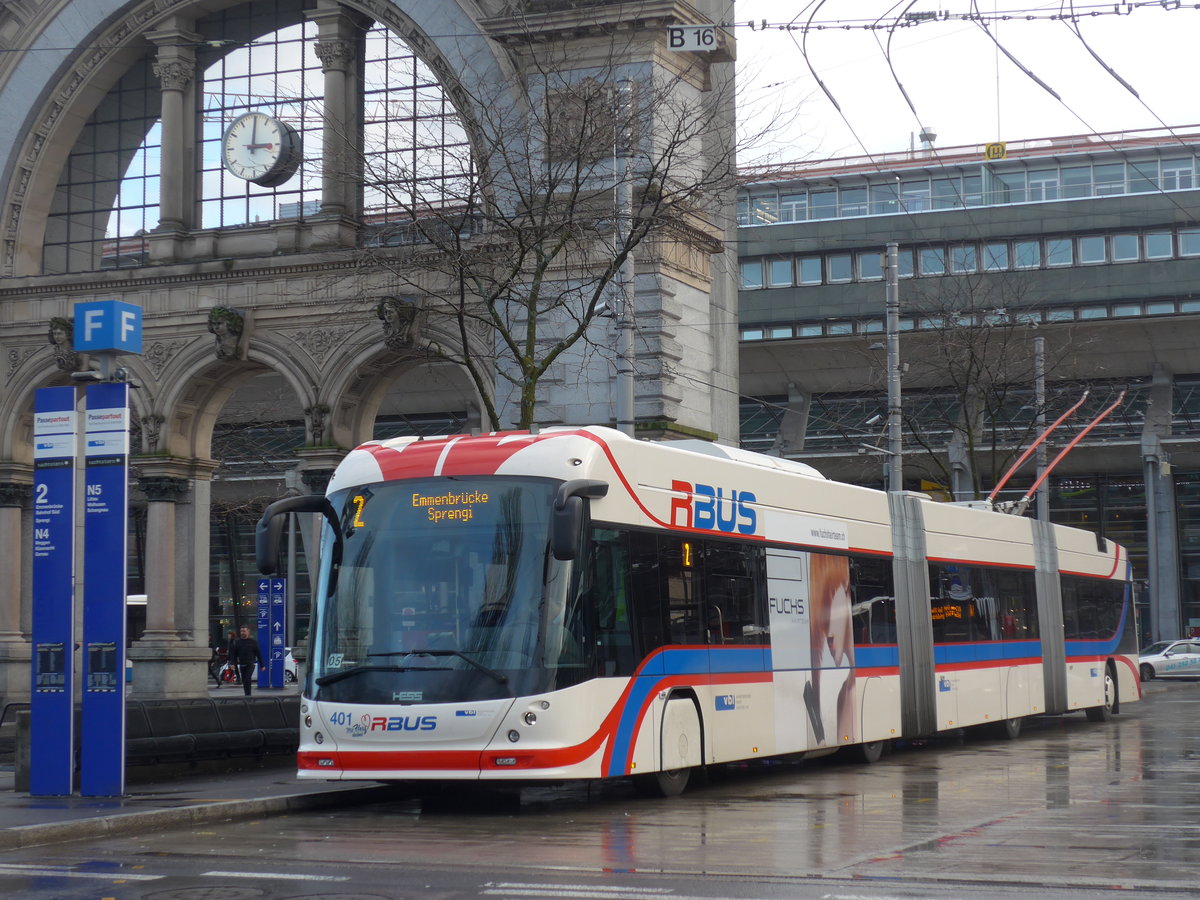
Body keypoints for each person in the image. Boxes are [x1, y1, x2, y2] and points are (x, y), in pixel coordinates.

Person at [233, 626, 264, 696]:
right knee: (244, 680)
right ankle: (246, 694)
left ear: (248, 632)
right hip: (242, 663)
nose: (242, 633)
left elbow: (258, 653)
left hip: (250, 663)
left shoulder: (253, 642)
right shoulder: (238, 642)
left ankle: (248, 695)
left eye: (244, 631)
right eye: (241, 631)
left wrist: (262, 665)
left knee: (247, 678)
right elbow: (234, 654)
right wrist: (233, 663)